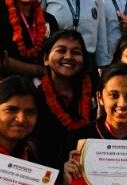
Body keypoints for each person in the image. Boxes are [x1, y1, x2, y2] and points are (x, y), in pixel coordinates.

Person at [33, 28, 94, 168]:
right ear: (46, 59)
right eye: (61, 50)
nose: (68, 57)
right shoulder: (34, 97)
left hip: (86, 170)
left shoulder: (95, 93)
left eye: (76, 52)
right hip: (47, 173)